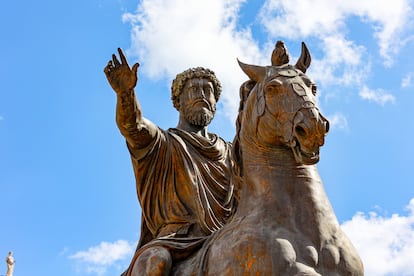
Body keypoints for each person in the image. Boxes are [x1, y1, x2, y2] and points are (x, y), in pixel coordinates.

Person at [104, 49, 236, 275]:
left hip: (227, 237)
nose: (202, 94)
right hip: (175, 240)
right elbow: (133, 127)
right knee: (153, 262)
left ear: (215, 102)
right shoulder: (162, 143)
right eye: (194, 89)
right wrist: (125, 94)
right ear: (178, 101)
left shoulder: (232, 153)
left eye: (208, 90)